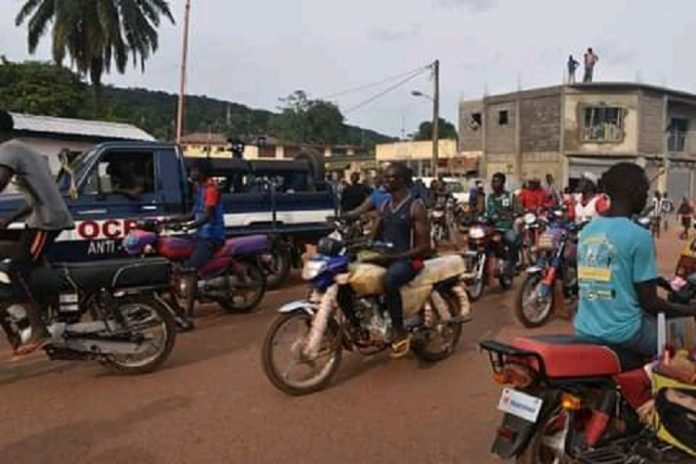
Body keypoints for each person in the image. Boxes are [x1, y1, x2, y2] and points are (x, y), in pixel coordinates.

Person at [574, 163, 696, 357]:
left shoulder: (588, 231)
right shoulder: (639, 236)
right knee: (685, 339)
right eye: (646, 191)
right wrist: (690, 310)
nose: (647, 197)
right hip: (624, 334)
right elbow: (651, 304)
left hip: (585, 327)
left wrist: (663, 283)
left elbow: (616, 270)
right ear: (634, 193)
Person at [0, 138, 75, 357]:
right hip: (39, 218)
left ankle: (39, 328)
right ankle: (27, 308)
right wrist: (8, 220)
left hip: (47, 221)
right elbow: (35, 198)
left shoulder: (8, 150)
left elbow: (0, 182)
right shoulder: (24, 150)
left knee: (17, 269)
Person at [363, 163, 432, 358]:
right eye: (385, 177)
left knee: (390, 280)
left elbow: (424, 247)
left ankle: (399, 330)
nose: (385, 180)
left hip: (410, 260)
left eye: (390, 177)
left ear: (402, 181)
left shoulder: (415, 207)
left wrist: (392, 257)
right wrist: (361, 245)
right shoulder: (385, 205)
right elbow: (373, 236)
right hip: (388, 257)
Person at [171, 158, 225, 270]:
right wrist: (170, 220)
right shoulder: (200, 189)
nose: (191, 173)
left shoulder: (211, 190)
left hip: (211, 238)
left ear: (202, 172)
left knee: (190, 267)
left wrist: (187, 227)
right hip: (200, 235)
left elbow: (207, 216)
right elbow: (191, 214)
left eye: (193, 170)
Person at [486, 172, 522, 274]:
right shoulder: (490, 197)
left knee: (512, 240)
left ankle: (513, 264)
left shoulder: (510, 196)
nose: (494, 184)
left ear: (503, 183)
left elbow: (519, 210)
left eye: (497, 181)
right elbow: (489, 212)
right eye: (493, 181)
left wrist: (513, 215)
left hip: (506, 228)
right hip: (491, 228)